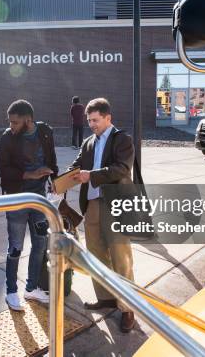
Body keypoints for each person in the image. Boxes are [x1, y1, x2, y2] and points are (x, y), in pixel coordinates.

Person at [69, 97, 136, 333]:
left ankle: (128, 308)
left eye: (96, 120)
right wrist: (64, 179)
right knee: (96, 253)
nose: (92, 125)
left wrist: (92, 175)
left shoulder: (122, 139)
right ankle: (106, 297)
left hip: (115, 203)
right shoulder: (88, 142)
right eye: (89, 121)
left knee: (120, 256)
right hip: (93, 204)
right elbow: (77, 166)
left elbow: (122, 169)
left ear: (108, 118)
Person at [0, 99, 58, 311]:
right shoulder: (7, 138)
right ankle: (11, 291)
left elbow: (52, 159)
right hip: (16, 197)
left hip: (40, 196)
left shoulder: (45, 132)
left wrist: (56, 179)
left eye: (15, 122)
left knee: (40, 243)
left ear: (28, 120)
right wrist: (30, 173)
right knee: (15, 247)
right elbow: (2, 169)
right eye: (10, 122)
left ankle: (31, 288)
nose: (11, 126)